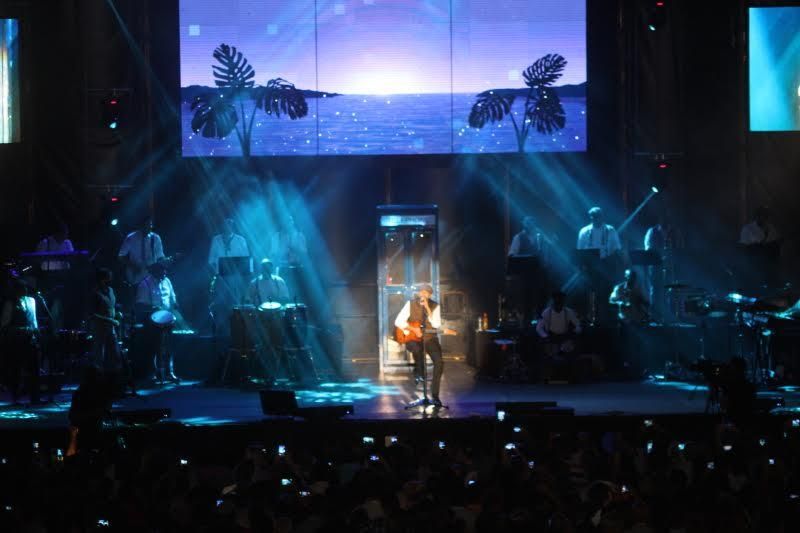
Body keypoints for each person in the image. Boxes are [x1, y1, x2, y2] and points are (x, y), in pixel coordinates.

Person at [394, 284, 444, 406]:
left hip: (430, 338)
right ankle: (419, 372)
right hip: (414, 338)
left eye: (426, 293)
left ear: (430, 295)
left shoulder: (435, 306)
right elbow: (398, 321)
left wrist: (427, 309)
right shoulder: (410, 304)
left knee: (439, 362)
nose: (423, 294)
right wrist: (413, 328)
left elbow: (436, 325)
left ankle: (435, 395)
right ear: (418, 293)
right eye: (421, 292)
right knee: (417, 349)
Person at [135, 262, 181, 383]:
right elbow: (141, 305)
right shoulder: (144, 284)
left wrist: (175, 303)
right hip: (152, 320)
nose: (165, 273)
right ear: (154, 271)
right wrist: (153, 309)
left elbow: (172, 296)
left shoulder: (167, 281)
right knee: (155, 347)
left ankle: (170, 372)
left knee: (169, 346)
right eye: (162, 271)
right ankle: (155, 373)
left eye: (165, 271)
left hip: (168, 317)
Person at [208, 218, 251, 338]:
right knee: (220, 305)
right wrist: (217, 275)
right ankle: (220, 332)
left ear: (232, 227)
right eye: (224, 225)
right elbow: (211, 261)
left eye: (228, 225)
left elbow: (245, 261)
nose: (226, 227)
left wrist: (239, 275)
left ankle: (236, 330)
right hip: (220, 278)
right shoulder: (216, 240)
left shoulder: (240, 240)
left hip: (235, 278)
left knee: (235, 304)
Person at [0, 279, 41, 404]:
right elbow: (4, 325)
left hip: (31, 340)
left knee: (34, 368)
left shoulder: (32, 301)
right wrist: (23, 329)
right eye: (22, 288)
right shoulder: (10, 303)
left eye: (26, 287)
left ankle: (35, 397)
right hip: (17, 341)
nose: (25, 290)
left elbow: (33, 319)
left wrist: (36, 332)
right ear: (16, 289)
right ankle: (15, 397)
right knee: (16, 369)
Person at [118, 216, 165, 286]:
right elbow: (121, 256)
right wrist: (133, 266)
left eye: (150, 225)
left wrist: (163, 265)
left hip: (152, 277)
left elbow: (160, 256)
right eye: (146, 225)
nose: (149, 227)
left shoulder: (155, 238)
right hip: (136, 277)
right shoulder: (131, 238)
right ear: (140, 225)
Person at [90, 268, 122, 372]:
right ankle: (99, 378)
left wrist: (116, 313)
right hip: (99, 329)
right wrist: (110, 320)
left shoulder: (111, 290)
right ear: (102, 279)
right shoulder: (95, 293)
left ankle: (115, 377)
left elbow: (111, 306)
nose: (111, 279)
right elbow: (93, 314)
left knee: (115, 353)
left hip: (111, 328)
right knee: (100, 355)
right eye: (108, 278)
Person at [536, 291, 582, 356]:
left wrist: (574, 333)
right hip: (550, 338)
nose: (558, 303)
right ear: (553, 301)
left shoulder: (569, 311)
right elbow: (538, 328)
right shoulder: (547, 312)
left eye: (560, 300)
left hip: (565, 337)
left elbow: (578, 325)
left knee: (570, 351)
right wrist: (545, 336)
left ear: (563, 302)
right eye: (557, 300)